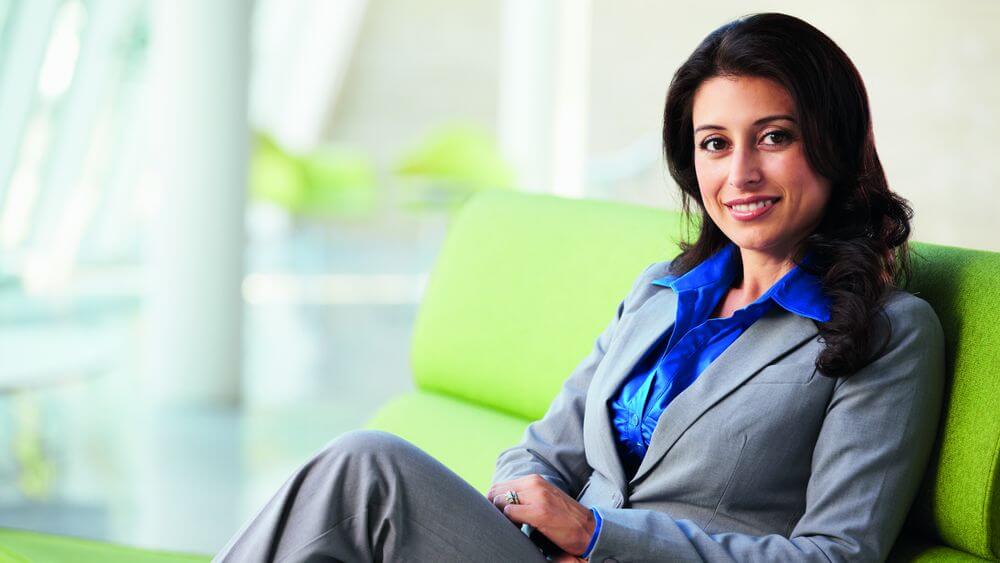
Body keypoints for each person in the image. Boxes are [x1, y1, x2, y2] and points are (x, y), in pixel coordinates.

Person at [214, 12, 945, 563]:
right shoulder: (664, 291)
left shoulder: (890, 331)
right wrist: (531, 514)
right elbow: (539, 450)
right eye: (715, 143)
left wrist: (599, 534)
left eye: (774, 136)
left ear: (834, 142)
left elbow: (835, 554)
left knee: (367, 468)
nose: (740, 174)